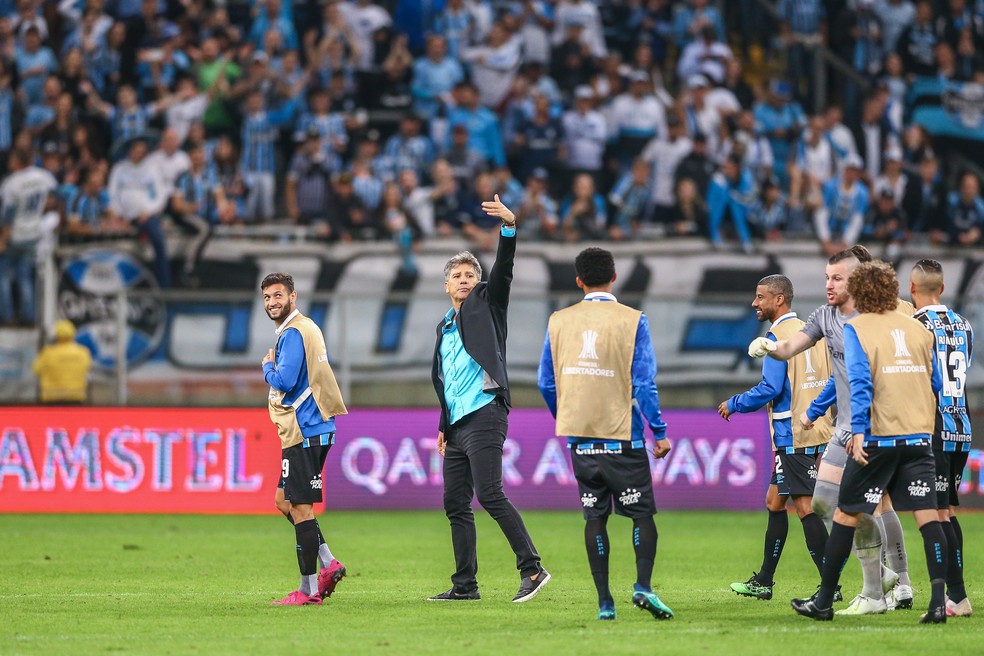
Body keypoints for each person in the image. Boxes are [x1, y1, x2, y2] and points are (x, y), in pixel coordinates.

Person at [791, 260, 947, 624]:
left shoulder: (857, 328)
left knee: (845, 512)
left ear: (861, 290)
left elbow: (859, 385)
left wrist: (858, 431)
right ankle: (938, 603)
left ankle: (825, 601)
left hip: (878, 439)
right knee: (928, 518)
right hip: (919, 437)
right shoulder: (918, 328)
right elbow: (936, 383)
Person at [747, 245, 901, 614]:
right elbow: (790, 349)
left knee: (874, 507)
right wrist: (771, 347)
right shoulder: (824, 316)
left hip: (877, 426)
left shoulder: (877, 319)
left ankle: (876, 590)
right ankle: (879, 576)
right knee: (823, 503)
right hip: (843, 427)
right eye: (826, 278)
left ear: (857, 281)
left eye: (837, 278)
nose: (829, 285)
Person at [537, 247, 674, 621]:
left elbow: (545, 382)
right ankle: (643, 587)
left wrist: (566, 414)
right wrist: (658, 431)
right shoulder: (632, 320)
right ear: (614, 277)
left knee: (594, 517)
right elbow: (644, 383)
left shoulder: (558, 320)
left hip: (580, 439)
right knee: (641, 514)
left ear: (579, 281)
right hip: (622, 436)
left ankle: (605, 603)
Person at [428, 195, 550, 603]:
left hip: (486, 412)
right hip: (458, 424)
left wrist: (509, 228)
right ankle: (465, 586)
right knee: (454, 504)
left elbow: (505, 271)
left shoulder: (488, 302)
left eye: (470, 274)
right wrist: (444, 426)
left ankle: (532, 569)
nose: (464, 279)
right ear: (445, 285)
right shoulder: (443, 326)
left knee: (490, 493)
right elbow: (446, 382)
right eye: (457, 275)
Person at [720, 275, 834, 601]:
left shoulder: (776, 337)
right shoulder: (811, 330)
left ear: (779, 300)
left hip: (792, 434)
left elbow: (771, 389)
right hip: (817, 426)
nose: (755, 303)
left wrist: (735, 403)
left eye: (760, 297)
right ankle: (765, 580)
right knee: (775, 501)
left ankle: (831, 586)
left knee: (804, 506)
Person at [260, 272, 349, 606]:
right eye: (267, 297)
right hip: (311, 429)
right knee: (284, 501)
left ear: (293, 297)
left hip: (305, 430)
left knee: (300, 507)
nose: (272, 302)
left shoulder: (295, 332)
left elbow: (284, 378)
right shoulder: (304, 327)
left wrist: (267, 367)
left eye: (278, 295)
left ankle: (308, 590)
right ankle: (329, 562)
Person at [910, 259, 975, 618]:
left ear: (913, 289)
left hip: (931, 426)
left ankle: (957, 596)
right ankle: (957, 596)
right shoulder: (965, 325)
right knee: (947, 510)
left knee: (935, 513)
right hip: (961, 425)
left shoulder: (915, 326)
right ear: (944, 289)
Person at [32, 319, 92, 404]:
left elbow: (36, 369)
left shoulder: (48, 352)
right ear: (73, 334)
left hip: (51, 397)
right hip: (75, 396)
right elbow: (88, 368)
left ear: (56, 335)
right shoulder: (83, 352)